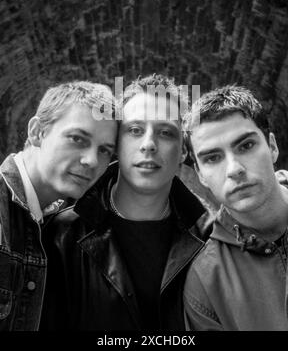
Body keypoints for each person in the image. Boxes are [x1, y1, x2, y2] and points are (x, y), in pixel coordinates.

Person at [40, 74, 212, 331]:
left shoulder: (212, 236)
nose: (149, 145)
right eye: (134, 130)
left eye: (165, 132)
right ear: (117, 145)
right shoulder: (59, 235)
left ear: (184, 151)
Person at [0, 81, 117, 331]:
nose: (91, 160)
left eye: (105, 150)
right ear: (37, 132)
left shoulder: (51, 223)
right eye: (77, 138)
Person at [183, 84, 288, 331]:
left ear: (272, 147)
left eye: (245, 146)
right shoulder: (205, 281)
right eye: (213, 158)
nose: (234, 169)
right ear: (200, 175)